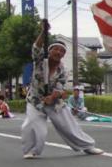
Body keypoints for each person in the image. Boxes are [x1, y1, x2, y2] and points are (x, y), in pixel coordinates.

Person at [21, 29, 104, 158]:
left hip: (54, 101)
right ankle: (31, 150)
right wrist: (44, 31)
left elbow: (60, 89)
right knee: (34, 125)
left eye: (62, 51)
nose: (58, 52)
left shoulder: (63, 70)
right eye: (56, 49)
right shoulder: (40, 61)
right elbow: (36, 48)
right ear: (49, 51)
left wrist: (53, 96)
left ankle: (87, 146)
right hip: (35, 100)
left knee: (69, 126)